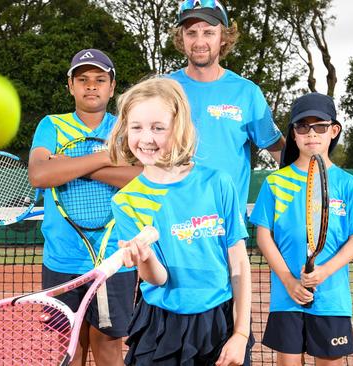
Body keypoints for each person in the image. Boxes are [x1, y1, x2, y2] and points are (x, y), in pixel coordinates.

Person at [107, 77, 254, 366]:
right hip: (161, 326)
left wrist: (240, 333)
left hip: (219, 321)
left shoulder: (218, 183)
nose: (146, 138)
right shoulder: (126, 201)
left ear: (179, 127)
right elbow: (158, 278)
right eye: (136, 127)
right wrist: (145, 258)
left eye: (158, 127)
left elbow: (238, 263)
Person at [28, 48, 141, 366]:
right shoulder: (51, 125)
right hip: (62, 260)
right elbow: (40, 174)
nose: (91, 86)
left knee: (107, 346)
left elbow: (141, 178)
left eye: (99, 79)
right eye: (83, 79)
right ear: (70, 86)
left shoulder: (126, 127)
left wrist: (74, 165)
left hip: (115, 260)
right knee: (70, 349)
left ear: (112, 86)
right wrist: (107, 159)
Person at [249, 92, 353, 366]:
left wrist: (325, 272)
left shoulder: (347, 183)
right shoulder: (276, 183)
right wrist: (289, 282)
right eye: (302, 126)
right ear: (293, 134)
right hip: (286, 298)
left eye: (320, 126)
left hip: (331, 299)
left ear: (334, 130)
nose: (311, 133)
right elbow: (264, 236)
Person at [169, 0, 285, 216]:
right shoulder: (162, 89)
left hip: (226, 228)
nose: (199, 41)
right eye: (191, 32)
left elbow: (282, 154)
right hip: (171, 224)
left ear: (223, 37)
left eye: (208, 32)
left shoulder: (247, 93)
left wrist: (334, 188)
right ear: (181, 38)